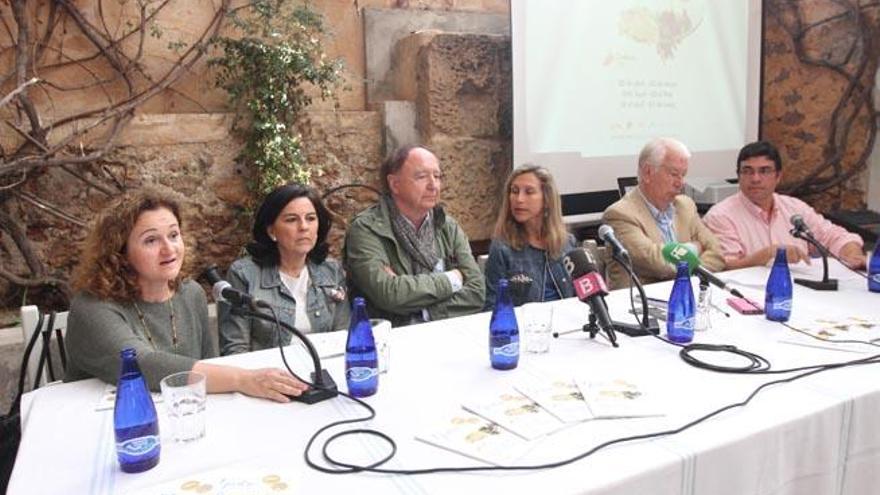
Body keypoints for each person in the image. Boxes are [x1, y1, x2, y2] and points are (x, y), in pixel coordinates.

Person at [65, 188, 308, 402]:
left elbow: (207, 369)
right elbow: (140, 363)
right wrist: (243, 379)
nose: (169, 249)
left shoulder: (190, 294)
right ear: (120, 252)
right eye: (151, 240)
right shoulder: (92, 306)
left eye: (173, 235)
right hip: (110, 428)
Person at [344, 145, 484, 326]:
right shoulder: (366, 229)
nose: (433, 185)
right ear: (395, 184)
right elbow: (389, 294)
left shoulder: (447, 226)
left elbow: (477, 292)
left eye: (437, 176)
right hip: (390, 339)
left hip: (446, 334)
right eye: (422, 177)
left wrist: (423, 311)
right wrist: (453, 279)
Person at [219, 183, 349, 355]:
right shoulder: (244, 274)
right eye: (291, 219)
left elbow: (344, 336)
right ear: (271, 230)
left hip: (323, 371)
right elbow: (235, 350)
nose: (304, 227)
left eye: (310, 218)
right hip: (268, 375)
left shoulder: (330, 270)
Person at [703, 140, 866, 269]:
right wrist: (768, 255)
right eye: (747, 171)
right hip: (747, 297)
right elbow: (724, 266)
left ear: (778, 176)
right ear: (738, 176)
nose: (755, 179)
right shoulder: (721, 215)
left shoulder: (795, 208)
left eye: (764, 171)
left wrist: (851, 253)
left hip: (802, 292)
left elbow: (833, 236)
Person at [602, 137, 725, 288]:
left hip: (686, 295)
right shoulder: (620, 214)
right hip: (640, 304)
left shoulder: (685, 205)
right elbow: (659, 263)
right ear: (647, 172)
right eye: (674, 174)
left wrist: (687, 275)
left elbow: (717, 253)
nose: (680, 183)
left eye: (683, 175)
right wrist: (695, 248)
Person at [484, 164, 575, 308]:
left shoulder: (566, 242)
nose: (519, 199)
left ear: (546, 199)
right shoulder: (502, 248)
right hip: (525, 326)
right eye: (514, 191)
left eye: (529, 192)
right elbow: (492, 307)